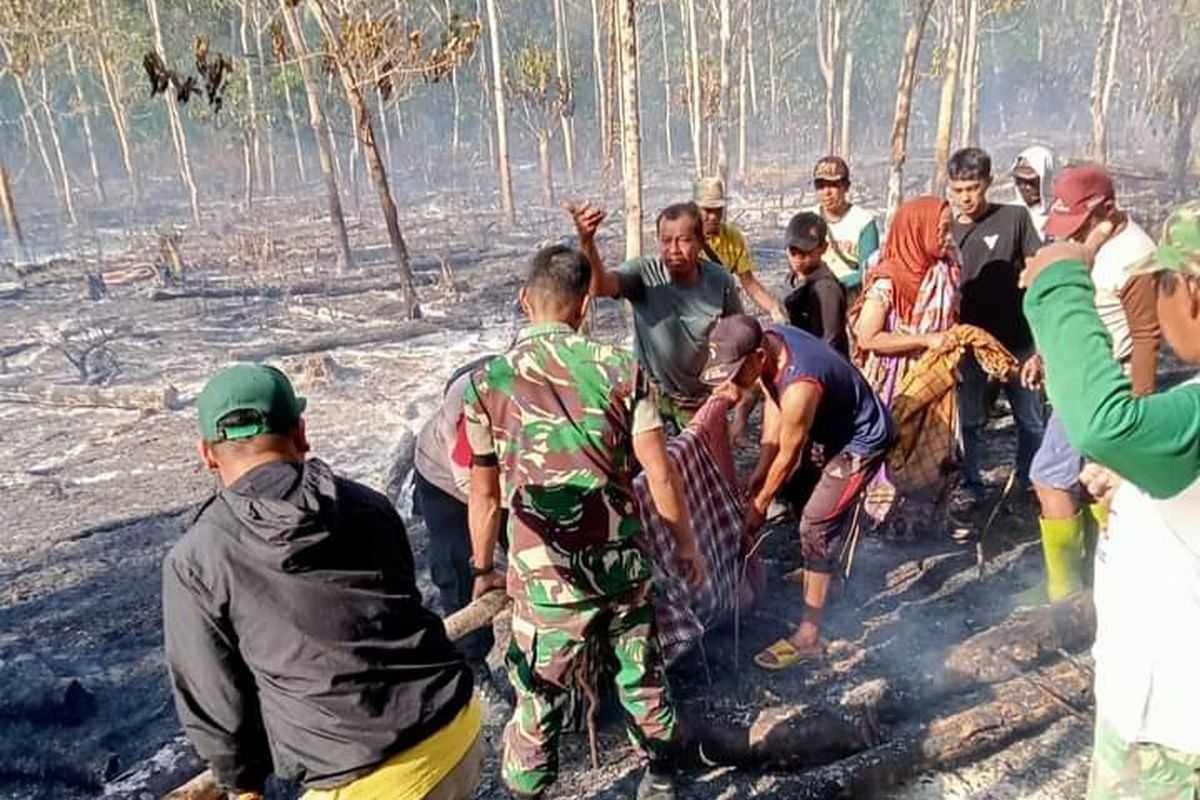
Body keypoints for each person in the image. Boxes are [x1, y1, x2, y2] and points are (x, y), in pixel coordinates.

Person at [163, 364, 480, 800]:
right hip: (457, 727)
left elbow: (215, 702)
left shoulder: (197, 558)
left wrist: (243, 785)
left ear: (207, 454)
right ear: (300, 433)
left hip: (365, 777)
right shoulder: (368, 504)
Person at [464, 244, 707, 800]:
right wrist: (685, 545)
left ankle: (528, 792)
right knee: (642, 678)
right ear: (583, 309)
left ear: (526, 301)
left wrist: (483, 568)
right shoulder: (622, 370)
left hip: (544, 578)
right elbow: (661, 476)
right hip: (621, 567)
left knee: (539, 693)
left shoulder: (486, 384)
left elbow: (484, 493)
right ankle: (662, 779)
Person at [1020, 202, 1200, 800]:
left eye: (1158, 287)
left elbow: (1103, 425)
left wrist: (1058, 282)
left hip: (1171, 729)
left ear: (1191, 292)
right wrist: (1138, 486)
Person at [701, 315, 893, 670]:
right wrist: (760, 470)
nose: (731, 382)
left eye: (734, 372)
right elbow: (774, 404)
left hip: (862, 441)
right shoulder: (771, 340)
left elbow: (789, 454)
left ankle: (809, 637)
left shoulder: (802, 384)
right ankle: (825, 575)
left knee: (815, 523)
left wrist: (758, 506)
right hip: (833, 430)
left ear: (759, 356)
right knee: (807, 501)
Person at [1026, 164, 1160, 602]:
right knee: (1090, 481)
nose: (1072, 234)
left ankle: (1066, 593)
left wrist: (1138, 410)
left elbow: (1145, 336)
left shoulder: (1135, 254)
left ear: (1106, 210)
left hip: (1107, 384)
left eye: (1079, 223)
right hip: (1077, 377)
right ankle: (1091, 583)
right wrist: (1044, 355)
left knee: (1051, 476)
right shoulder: (1085, 245)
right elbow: (1077, 310)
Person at [572, 201, 743, 427]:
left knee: (702, 460)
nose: (673, 249)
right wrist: (587, 240)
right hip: (649, 397)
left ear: (701, 241)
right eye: (666, 241)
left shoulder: (720, 281)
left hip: (699, 401)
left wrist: (733, 383)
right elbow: (599, 286)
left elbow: (740, 335)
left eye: (683, 240)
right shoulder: (644, 274)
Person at [852, 195, 960, 532]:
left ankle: (919, 526)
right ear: (917, 230)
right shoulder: (889, 278)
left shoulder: (947, 268)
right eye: (940, 230)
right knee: (893, 450)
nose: (947, 237)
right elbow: (867, 337)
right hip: (895, 381)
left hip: (935, 375)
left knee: (931, 452)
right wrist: (925, 340)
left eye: (949, 229)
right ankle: (881, 524)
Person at [948, 147, 1045, 514]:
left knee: (1030, 418)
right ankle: (972, 484)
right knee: (970, 420)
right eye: (958, 190)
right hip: (970, 342)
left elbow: (1037, 273)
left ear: (987, 183)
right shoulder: (950, 230)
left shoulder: (1014, 219)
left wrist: (1042, 339)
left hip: (1018, 339)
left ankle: (1029, 480)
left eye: (972, 187)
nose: (966, 197)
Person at [413, 356, 509, 689]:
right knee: (457, 565)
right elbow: (478, 491)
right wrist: (484, 569)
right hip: (445, 481)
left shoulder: (544, 390)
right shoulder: (473, 402)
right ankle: (471, 663)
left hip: (505, 477)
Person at [694, 177, 787, 321]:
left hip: (722, 310)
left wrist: (774, 308)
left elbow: (748, 282)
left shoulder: (732, 237)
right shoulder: (685, 238)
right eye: (707, 210)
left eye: (718, 210)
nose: (713, 216)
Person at [808, 155, 881, 290]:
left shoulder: (863, 222)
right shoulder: (808, 219)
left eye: (833, 185)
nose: (826, 192)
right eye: (820, 186)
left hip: (852, 297)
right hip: (815, 295)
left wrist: (834, 286)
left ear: (846, 187)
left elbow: (869, 270)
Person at [781, 211, 848, 356]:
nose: (798, 259)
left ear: (823, 247)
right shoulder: (794, 279)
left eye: (805, 253)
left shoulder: (826, 289)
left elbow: (831, 340)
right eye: (793, 252)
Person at [1011, 145, 1054, 238]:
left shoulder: (1062, 214)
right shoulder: (1010, 216)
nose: (1025, 187)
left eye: (1031, 182)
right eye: (1019, 181)